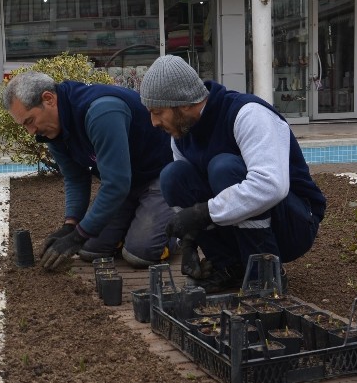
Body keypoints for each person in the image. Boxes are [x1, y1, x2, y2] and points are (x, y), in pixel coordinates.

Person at [139, 55, 326, 292]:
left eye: (158, 112)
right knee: (173, 176)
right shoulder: (182, 134)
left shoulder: (247, 114)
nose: (153, 122)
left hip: (294, 224)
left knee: (224, 168)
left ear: (184, 104)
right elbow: (190, 194)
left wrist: (203, 213)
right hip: (243, 225)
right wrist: (189, 240)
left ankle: (264, 272)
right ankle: (228, 266)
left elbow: (271, 186)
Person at [3, 70, 176, 272]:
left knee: (139, 254)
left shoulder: (101, 111)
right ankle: (133, 224)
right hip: (128, 183)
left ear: (48, 99)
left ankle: (174, 231)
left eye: (30, 121)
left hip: (161, 176)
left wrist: (78, 236)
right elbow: (75, 178)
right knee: (90, 250)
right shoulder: (53, 129)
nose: (31, 132)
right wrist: (70, 226)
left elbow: (116, 185)